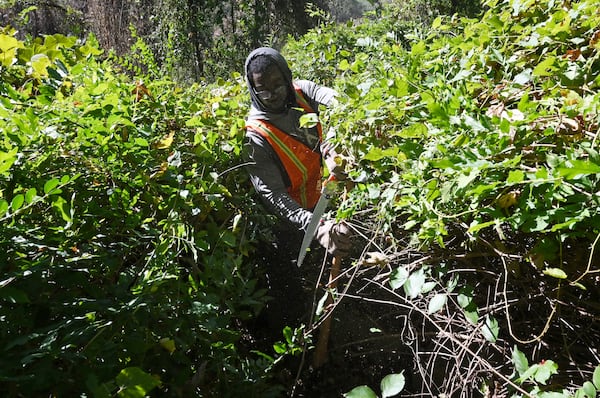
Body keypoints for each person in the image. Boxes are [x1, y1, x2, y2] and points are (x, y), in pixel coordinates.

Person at [243, 47, 351, 333]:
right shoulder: (256, 135)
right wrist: (315, 227)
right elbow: (272, 195)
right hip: (289, 224)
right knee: (293, 299)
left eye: (278, 84)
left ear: (287, 77)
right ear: (253, 89)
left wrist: (335, 144)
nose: (274, 93)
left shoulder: (303, 91)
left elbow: (343, 103)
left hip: (324, 200)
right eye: (263, 89)